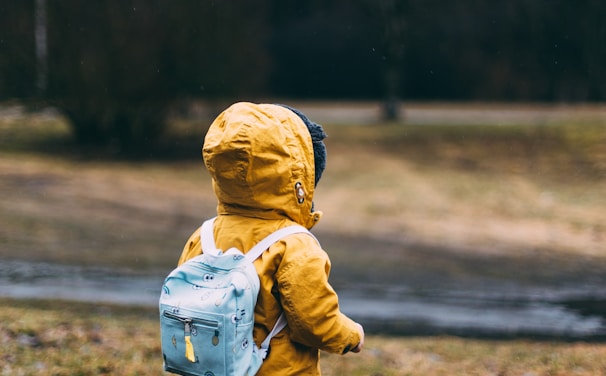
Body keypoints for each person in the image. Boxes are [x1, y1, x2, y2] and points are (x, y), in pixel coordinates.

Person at [177, 102, 364, 375]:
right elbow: (314, 322)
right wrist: (352, 335)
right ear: (299, 176)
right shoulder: (294, 245)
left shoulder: (204, 236)